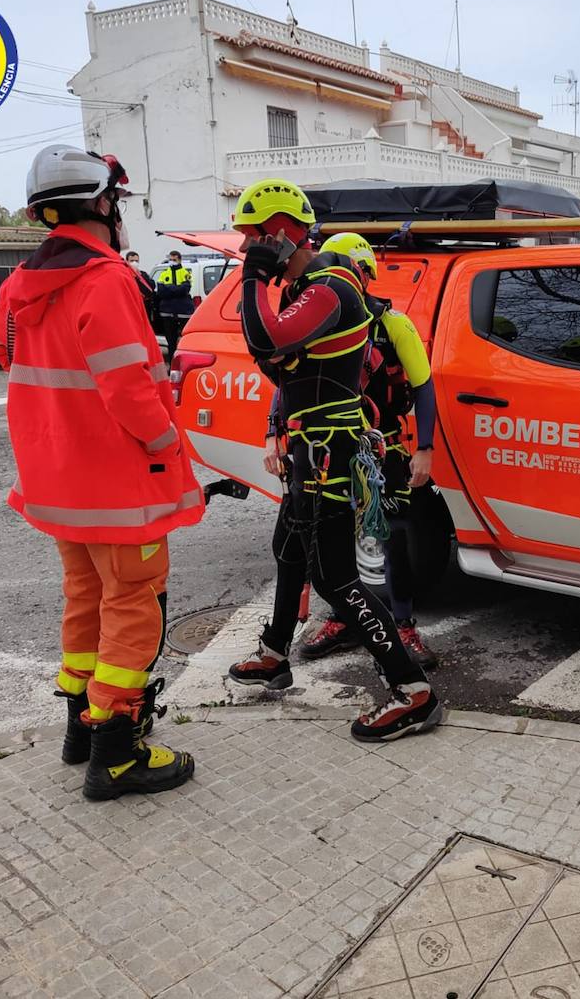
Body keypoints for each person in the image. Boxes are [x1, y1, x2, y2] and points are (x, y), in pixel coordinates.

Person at [0, 144, 201, 800]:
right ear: (101, 204)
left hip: (57, 483)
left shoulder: (22, 280)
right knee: (134, 605)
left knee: (85, 598)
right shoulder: (105, 280)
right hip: (116, 486)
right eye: (117, 202)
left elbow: (3, 348)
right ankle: (118, 752)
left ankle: (79, 727)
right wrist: (166, 440)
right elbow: (127, 389)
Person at [222, 178, 443, 743]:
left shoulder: (332, 286)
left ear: (283, 233)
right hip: (310, 448)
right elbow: (286, 374)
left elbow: (265, 341)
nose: (248, 249)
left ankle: (412, 692)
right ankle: (276, 650)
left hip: (331, 453)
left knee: (336, 578)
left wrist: (251, 279)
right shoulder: (308, 289)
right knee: (288, 549)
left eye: (254, 239)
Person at [298, 232, 438, 668]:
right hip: (331, 446)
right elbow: (292, 381)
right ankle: (344, 619)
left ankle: (403, 625)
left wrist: (426, 449)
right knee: (334, 534)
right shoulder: (317, 323)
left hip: (384, 447)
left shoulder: (393, 324)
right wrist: (273, 434)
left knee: (394, 534)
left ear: (363, 275)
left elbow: (424, 386)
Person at [153, 250, 193, 357]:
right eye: (170, 259)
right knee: (170, 342)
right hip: (168, 313)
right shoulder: (164, 273)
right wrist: (176, 290)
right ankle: (171, 365)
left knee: (184, 342)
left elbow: (185, 289)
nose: (172, 261)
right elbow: (161, 291)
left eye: (174, 259)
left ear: (179, 260)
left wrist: (169, 290)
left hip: (183, 312)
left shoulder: (185, 273)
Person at [124, 250, 159, 336]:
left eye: (136, 261)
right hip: (130, 306)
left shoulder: (142, 274)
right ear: (127, 261)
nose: (134, 263)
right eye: (132, 261)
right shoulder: (124, 274)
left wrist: (139, 276)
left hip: (144, 306)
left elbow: (151, 287)